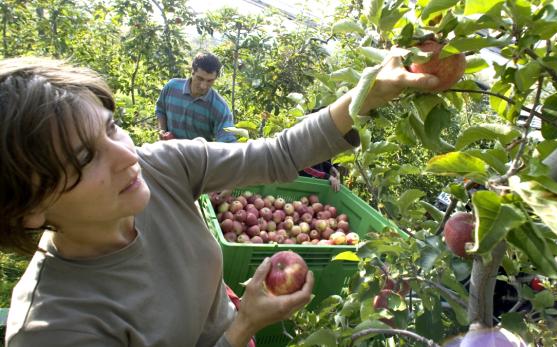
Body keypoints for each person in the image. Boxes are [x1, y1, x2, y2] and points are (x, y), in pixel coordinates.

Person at [0, 50, 439, 346]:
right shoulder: (54, 328)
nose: (126, 156)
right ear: (29, 209)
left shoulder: (161, 167)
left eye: (111, 127)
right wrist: (245, 323)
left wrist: (369, 93)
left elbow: (278, 153)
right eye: (84, 157)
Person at [156, 52, 236, 142]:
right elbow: (160, 110)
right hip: (169, 151)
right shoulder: (171, 87)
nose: (203, 86)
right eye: (200, 78)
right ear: (192, 71)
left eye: (210, 81)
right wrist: (162, 130)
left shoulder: (220, 107)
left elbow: (227, 141)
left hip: (199, 155)